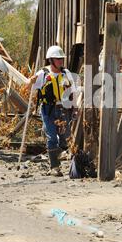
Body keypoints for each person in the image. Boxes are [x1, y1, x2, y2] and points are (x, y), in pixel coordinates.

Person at [27, 46, 77, 177]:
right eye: (58, 59)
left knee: (65, 138)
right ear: (51, 60)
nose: (61, 61)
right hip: (48, 109)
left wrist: (75, 108)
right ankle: (54, 167)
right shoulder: (42, 73)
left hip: (63, 109)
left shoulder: (66, 73)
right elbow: (28, 86)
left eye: (62, 59)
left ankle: (58, 154)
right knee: (51, 136)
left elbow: (73, 92)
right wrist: (30, 82)